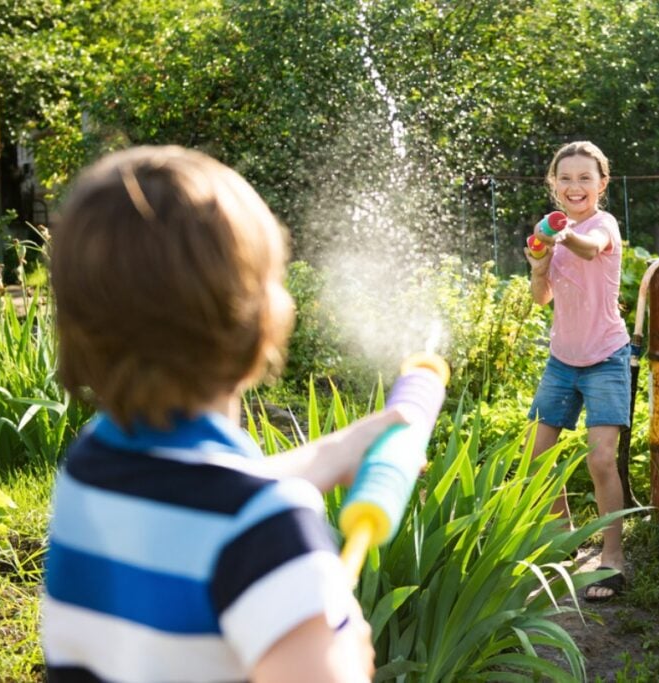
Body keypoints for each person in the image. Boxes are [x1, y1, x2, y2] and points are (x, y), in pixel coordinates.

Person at [42, 145, 401, 683]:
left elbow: (196, 500)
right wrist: (346, 645)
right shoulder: (269, 533)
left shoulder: (93, 461)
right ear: (258, 318)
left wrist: (328, 455)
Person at [523, 140, 631, 602]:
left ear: (601, 184)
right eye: (565, 178)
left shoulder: (601, 226)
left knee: (601, 459)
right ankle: (563, 536)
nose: (574, 186)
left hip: (606, 357)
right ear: (553, 183)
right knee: (536, 456)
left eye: (585, 178)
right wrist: (538, 265)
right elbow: (540, 297)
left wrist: (561, 236)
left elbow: (590, 250)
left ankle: (613, 559)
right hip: (562, 360)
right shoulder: (550, 233)